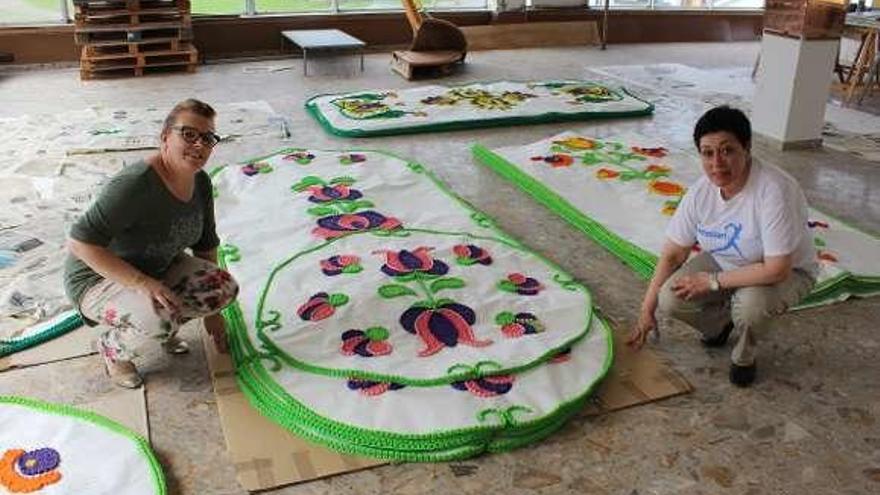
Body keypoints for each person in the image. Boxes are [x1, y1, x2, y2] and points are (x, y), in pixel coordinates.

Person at [626, 106, 818, 387]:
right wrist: (646, 309)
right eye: (707, 153)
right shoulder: (701, 192)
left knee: (751, 307)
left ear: (747, 147)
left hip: (788, 271)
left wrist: (713, 282)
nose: (717, 163)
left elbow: (777, 269)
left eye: (727, 150)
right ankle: (720, 324)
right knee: (670, 296)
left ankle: (744, 355)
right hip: (730, 261)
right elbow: (673, 254)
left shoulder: (774, 191)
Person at [64, 99, 238, 389]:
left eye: (208, 138)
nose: (199, 145)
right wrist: (142, 283)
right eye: (189, 134)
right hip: (96, 276)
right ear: (164, 137)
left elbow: (206, 246)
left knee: (222, 288)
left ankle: (161, 325)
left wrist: (213, 315)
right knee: (159, 319)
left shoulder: (201, 182)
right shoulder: (134, 184)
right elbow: (80, 243)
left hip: (155, 264)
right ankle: (113, 350)